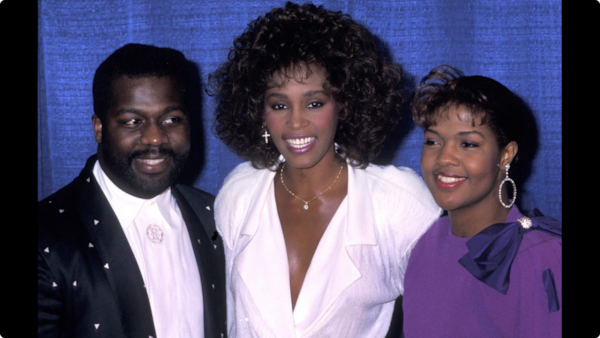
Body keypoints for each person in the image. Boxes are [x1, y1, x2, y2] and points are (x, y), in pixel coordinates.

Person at [208, 2, 441, 337]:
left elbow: (446, 317)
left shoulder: (399, 204)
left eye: (315, 103)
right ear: (259, 112)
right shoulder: (239, 193)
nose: (296, 122)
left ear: (344, 105)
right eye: (279, 105)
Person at [38, 43, 227, 338]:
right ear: (99, 128)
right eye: (132, 122)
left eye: (171, 120)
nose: (154, 138)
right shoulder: (46, 235)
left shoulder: (215, 216)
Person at [402, 65, 562, 337]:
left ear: (505, 155)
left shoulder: (539, 256)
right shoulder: (428, 242)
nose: (444, 158)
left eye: (468, 144)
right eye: (432, 142)